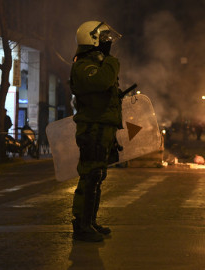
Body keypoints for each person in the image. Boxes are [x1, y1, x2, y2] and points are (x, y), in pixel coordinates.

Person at [70, 21, 123, 242]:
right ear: (91, 40)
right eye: (103, 40)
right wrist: (111, 61)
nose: (108, 43)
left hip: (101, 128)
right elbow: (102, 81)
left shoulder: (97, 63)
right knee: (90, 175)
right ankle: (82, 225)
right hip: (93, 128)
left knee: (98, 175)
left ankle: (90, 222)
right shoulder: (83, 65)